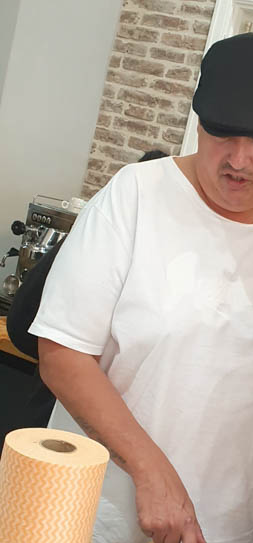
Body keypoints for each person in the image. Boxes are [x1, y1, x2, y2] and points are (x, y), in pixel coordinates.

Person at [29, 34, 253, 543]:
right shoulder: (135, 196)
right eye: (220, 133)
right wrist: (150, 468)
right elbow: (62, 354)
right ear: (198, 120)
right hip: (94, 528)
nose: (237, 159)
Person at [6, 150, 169, 429]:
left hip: (68, 410)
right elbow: (22, 325)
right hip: (62, 413)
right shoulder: (107, 241)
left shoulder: (101, 232)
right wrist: (68, 361)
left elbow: (20, 324)